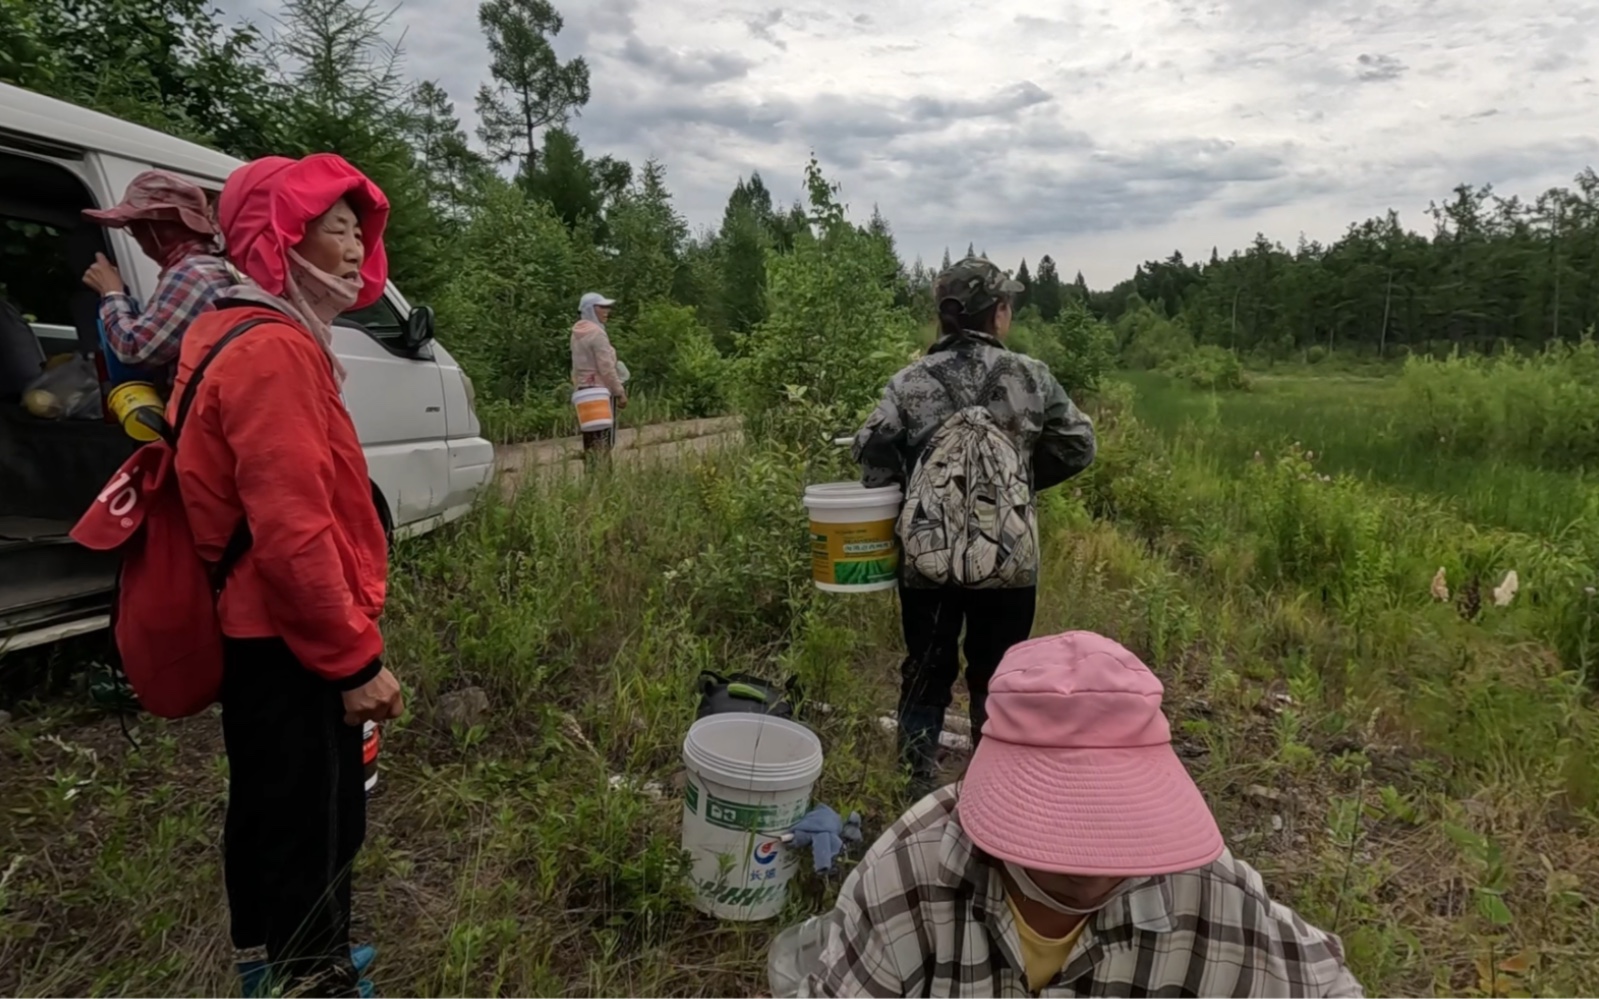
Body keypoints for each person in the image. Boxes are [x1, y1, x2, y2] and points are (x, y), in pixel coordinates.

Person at [804, 631, 1364, 998]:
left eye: (1114, 818)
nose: (1095, 866)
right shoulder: (911, 878)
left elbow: (1328, 984)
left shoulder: (1208, 891)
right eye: (1061, 824)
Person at [169, 153, 404, 997]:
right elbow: (293, 534)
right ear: (279, 239)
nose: (352, 249)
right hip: (288, 636)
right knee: (315, 819)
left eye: (355, 229)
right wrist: (353, 661)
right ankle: (314, 976)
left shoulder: (233, 328)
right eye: (330, 229)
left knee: (269, 803)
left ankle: (266, 960)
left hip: (261, 628)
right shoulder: (272, 351)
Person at [853, 256, 1095, 797]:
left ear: (944, 316)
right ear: (998, 313)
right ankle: (993, 791)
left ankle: (915, 787)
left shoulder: (910, 381)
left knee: (925, 668)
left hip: (927, 560)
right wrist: (1021, 483)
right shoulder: (1031, 376)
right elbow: (1081, 446)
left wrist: (911, 484)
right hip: (1010, 560)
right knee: (1000, 674)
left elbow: (871, 446)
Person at [80, 169, 233, 381]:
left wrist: (111, 292)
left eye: (136, 228)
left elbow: (134, 349)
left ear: (153, 228)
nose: (139, 237)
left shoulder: (192, 274)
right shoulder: (207, 266)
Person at [571, 291, 627, 453]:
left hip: (584, 391)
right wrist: (619, 392)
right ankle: (603, 475)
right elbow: (606, 368)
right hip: (601, 393)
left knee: (589, 439)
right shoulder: (597, 333)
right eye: (601, 307)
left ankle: (592, 474)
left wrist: (577, 388)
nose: (606, 311)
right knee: (604, 439)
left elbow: (575, 367)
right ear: (590, 309)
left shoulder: (576, 333)